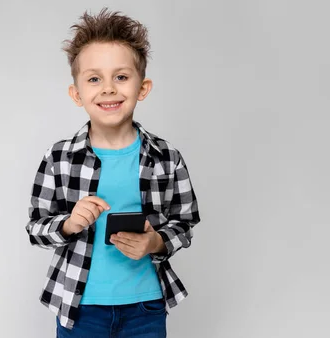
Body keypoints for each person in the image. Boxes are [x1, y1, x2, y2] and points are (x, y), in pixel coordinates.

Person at [25, 8, 201, 338]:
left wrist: (156, 241)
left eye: (121, 77)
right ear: (76, 94)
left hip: (145, 306)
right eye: (94, 78)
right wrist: (69, 223)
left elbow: (185, 222)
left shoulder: (166, 157)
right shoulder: (60, 157)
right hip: (80, 306)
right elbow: (36, 228)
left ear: (142, 88)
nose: (108, 89)